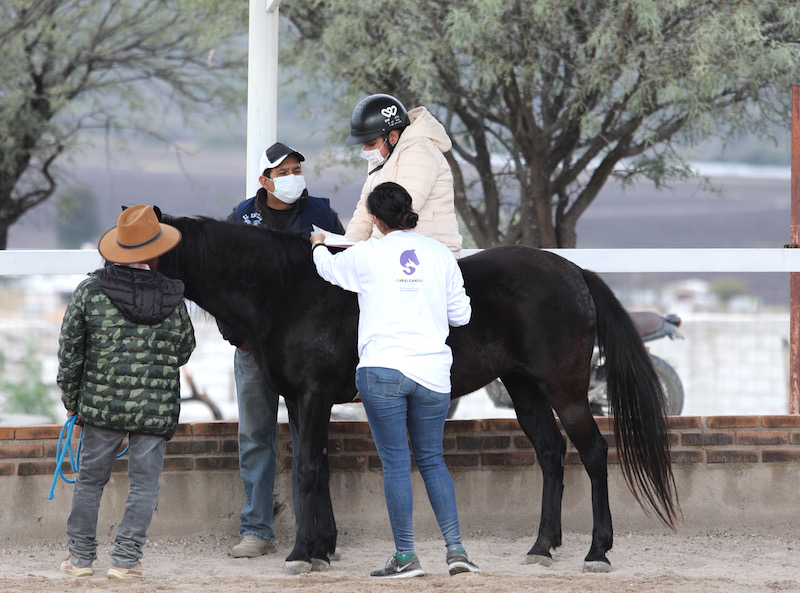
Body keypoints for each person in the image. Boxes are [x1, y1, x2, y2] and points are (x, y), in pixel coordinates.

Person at [310, 181, 479, 578]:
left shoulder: (367, 252)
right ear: (408, 211)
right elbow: (462, 316)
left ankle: (406, 557)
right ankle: (456, 551)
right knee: (434, 461)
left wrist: (318, 242)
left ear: (374, 219)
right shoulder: (440, 255)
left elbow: (328, 271)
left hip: (382, 370)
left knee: (397, 465)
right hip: (434, 373)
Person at [56, 205, 196, 579]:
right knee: (145, 484)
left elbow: (71, 353)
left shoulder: (90, 291)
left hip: (100, 408)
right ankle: (126, 560)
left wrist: (73, 404)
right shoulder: (174, 296)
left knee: (89, 481)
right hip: (155, 407)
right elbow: (184, 349)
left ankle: (81, 560)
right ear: (156, 250)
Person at [222, 141, 346, 558]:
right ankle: (257, 529)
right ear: (264, 181)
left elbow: (345, 268)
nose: (294, 177)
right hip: (254, 348)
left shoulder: (322, 213)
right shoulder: (242, 218)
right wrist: (235, 336)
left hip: (310, 353)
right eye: (284, 172)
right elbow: (225, 283)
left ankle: (310, 532)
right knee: (256, 436)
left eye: (297, 169)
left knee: (307, 438)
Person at [344, 93, 462, 257]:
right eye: (364, 146)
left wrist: (370, 253)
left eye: (371, 144)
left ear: (392, 137)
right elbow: (365, 211)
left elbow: (396, 213)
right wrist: (347, 247)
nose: (367, 151)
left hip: (431, 256)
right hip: (400, 252)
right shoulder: (381, 158)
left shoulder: (418, 151)